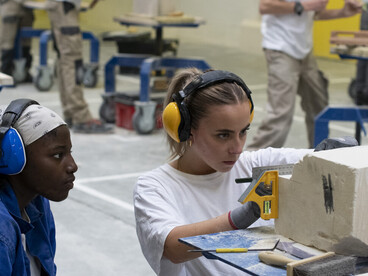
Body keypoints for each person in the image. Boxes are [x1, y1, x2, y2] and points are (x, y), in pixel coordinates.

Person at [133, 68, 357, 276]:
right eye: (223, 135)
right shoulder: (154, 187)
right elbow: (172, 247)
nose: (237, 147)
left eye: (243, 132)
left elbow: (310, 159)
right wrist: (242, 215)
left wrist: (333, 154)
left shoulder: (256, 163)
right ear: (185, 130)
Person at [246, 0, 362, 150]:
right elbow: (265, 6)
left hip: (305, 52)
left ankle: (320, 157)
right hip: (280, 48)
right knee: (281, 115)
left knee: (319, 107)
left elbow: (316, 14)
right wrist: (302, 5)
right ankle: (252, 163)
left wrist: (343, 12)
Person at [0, 98, 78, 275]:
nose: (72, 166)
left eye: (69, 152)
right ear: (13, 159)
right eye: (58, 155)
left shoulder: (37, 204)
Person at [45, 0, 112, 133]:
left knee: (65, 59)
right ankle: (80, 116)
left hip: (61, 6)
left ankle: (71, 112)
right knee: (72, 59)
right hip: (64, 5)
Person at [0, 0, 34, 83]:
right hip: (10, 6)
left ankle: (24, 73)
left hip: (27, 7)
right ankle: (7, 74)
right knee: (7, 42)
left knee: (26, 42)